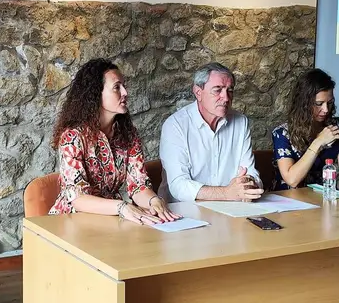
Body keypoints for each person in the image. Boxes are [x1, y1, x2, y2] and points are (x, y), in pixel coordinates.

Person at [49, 58, 179, 226]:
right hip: (71, 223)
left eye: (124, 86)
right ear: (95, 94)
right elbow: (77, 198)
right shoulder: (73, 137)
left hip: (110, 220)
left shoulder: (128, 134)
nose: (125, 92)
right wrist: (121, 207)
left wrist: (153, 201)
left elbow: (138, 185)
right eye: (117, 87)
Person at [158, 62, 265, 203]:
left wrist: (248, 184)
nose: (226, 98)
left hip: (232, 211)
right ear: (198, 92)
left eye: (230, 90)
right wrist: (227, 193)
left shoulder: (241, 122)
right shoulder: (176, 125)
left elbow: (250, 172)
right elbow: (179, 186)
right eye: (217, 90)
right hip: (186, 213)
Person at [271, 68, 339, 190]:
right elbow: (292, 180)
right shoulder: (282, 133)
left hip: (321, 197)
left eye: (330, 103)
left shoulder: (334, 126)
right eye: (319, 104)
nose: (326, 109)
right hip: (289, 201)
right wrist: (318, 142)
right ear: (304, 103)